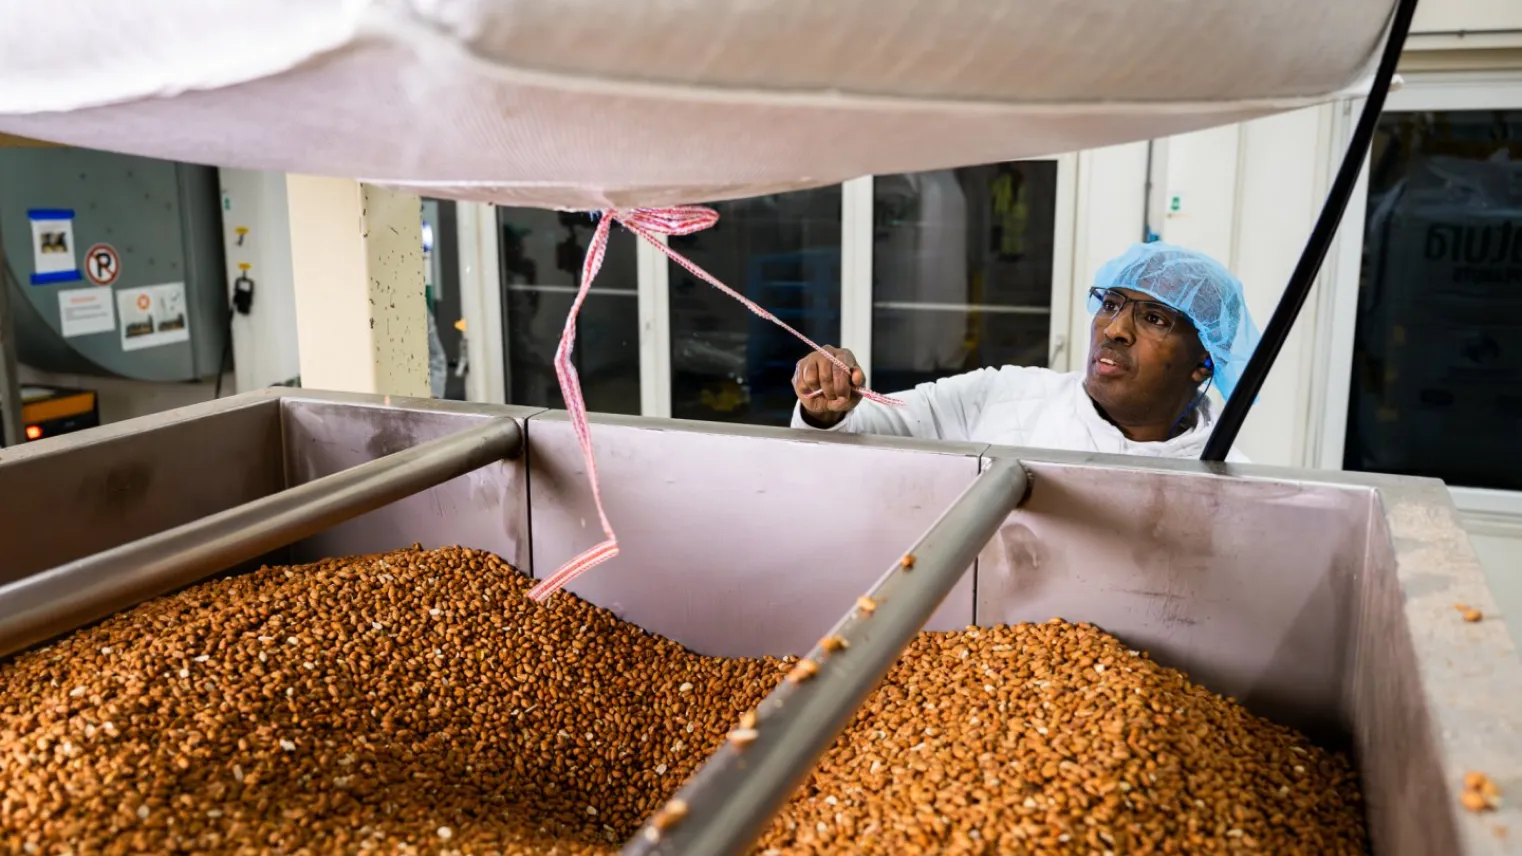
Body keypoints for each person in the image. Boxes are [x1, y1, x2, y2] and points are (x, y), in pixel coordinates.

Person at [790, 242, 1261, 460]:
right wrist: (828, 410)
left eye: (1155, 318)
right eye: (1112, 304)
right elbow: (871, 433)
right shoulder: (1005, 394)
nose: (1115, 328)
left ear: (1204, 362)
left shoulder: (1227, 479)